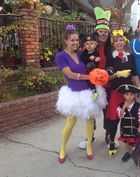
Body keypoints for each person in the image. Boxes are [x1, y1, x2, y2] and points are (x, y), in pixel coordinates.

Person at [55, 24, 107, 163]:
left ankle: (89, 146)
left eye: (77, 40)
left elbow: (93, 63)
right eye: (72, 40)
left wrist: (97, 73)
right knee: (70, 123)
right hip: (73, 94)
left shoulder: (81, 54)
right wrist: (90, 77)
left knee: (90, 120)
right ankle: (62, 148)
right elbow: (70, 75)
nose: (75, 43)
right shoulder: (60, 56)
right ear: (66, 41)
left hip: (88, 92)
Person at [79, 7, 119, 149]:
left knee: (107, 111)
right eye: (100, 32)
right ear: (96, 33)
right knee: (91, 110)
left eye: (105, 32)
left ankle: (109, 136)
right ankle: (90, 136)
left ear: (108, 34)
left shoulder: (110, 48)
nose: (103, 34)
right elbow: (82, 61)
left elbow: (114, 64)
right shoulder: (89, 47)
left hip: (107, 84)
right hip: (91, 84)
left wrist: (110, 70)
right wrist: (88, 65)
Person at [106, 29, 140, 156]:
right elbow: (107, 77)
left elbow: (135, 73)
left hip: (129, 93)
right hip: (116, 91)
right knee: (114, 119)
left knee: (131, 118)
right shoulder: (111, 56)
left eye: (121, 40)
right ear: (113, 44)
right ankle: (111, 143)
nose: (119, 42)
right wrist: (117, 74)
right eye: (116, 41)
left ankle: (131, 142)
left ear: (124, 41)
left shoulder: (130, 56)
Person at [116, 84, 140, 162]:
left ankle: (136, 153)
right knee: (127, 143)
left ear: (135, 95)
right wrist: (124, 107)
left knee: (135, 142)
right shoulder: (120, 106)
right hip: (125, 130)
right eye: (127, 94)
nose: (129, 96)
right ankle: (128, 153)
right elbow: (120, 115)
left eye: (131, 94)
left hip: (135, 129)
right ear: (123, 95)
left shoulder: (138, 105)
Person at [80, 33, 100, 100]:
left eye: (91, 44)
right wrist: (89, 58)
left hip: (94, 71)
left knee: (92, 81)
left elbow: (98, 59)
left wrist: (96, 59)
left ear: (95, 45)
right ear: (84, 45)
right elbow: (82, 58)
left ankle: (94, 92)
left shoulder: (96, 52)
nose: (89, 46)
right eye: (87, 44)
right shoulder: (84, 53)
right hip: (86, 71)